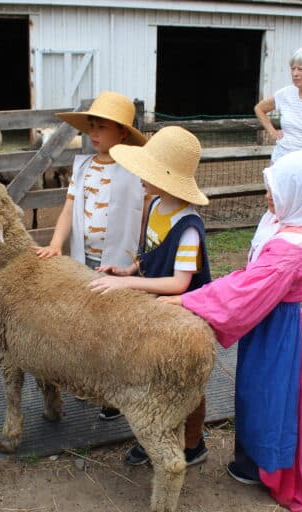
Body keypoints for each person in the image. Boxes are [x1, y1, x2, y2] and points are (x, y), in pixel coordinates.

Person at [159, 150, 302, 511]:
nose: (268, 196)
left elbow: (243, 291)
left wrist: (187, 301)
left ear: (300, 191)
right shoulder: (295, 219)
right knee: (258, 391)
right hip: (280, 321)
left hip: (286, 334)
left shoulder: (292, 249)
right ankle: (254, 460)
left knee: (276, 398)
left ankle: (269, 468)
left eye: (276, 189)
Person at [88, 126, 212, 467]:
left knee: (184, 382)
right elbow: (149, 256)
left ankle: (192, 442)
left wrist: (128, 286)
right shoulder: (156, 204)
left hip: (182, 317)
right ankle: (152, 434)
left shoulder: (188, 227)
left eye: (148, 172)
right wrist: (128, 271)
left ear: (167, 179)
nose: (140, 177)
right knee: (149, 376)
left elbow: (179, 283)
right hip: (154, 310)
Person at [34, 90, 147, 421]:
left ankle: (115, 394)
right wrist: (57, 244)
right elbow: (69, 207)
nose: (94, 135)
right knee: (88, 324)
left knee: (117, 327)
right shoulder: (82, 166)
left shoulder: (136, 170)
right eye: (91, 128)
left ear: (123, 132)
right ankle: (92, 383)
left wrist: (142, 257)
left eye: (102, 128)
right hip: (84, 264)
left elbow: (143, 214)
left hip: (121, 265)